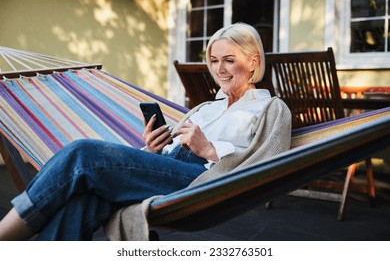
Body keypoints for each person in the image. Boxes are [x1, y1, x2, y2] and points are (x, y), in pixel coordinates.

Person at [0, 22, 291, 241]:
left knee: (84, 154)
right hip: (168, 168)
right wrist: (153, 149)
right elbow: (167, 153)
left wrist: (210, 151)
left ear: (253, 61)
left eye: (229, 60)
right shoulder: (205, 107)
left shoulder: (271, 109)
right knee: (82, 201)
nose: (220, 69)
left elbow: (267, 168)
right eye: (214, 61)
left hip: (206, 180)